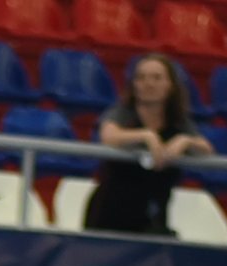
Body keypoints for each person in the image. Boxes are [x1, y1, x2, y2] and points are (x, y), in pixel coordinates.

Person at [85, 54, 214, 236]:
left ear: (170, 85)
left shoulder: (179, 122)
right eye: (141, 77)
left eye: (156, 78)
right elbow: (108, 136)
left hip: (153, 219)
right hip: (110, 216)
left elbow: (206, 149)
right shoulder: (123, 113)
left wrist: (185, 141)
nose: (149, 84)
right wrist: (146, 135)